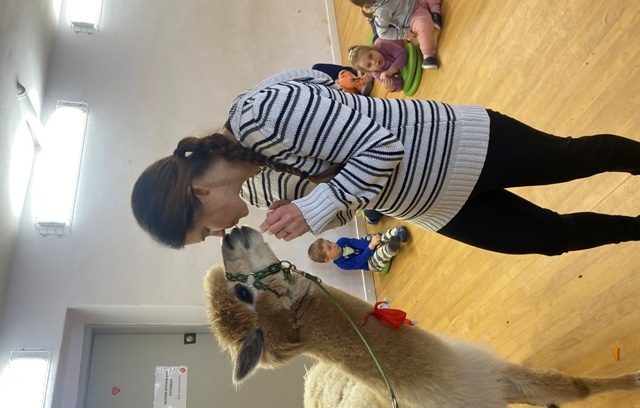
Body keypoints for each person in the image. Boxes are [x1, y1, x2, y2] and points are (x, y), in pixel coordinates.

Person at [131, 68, 640, 257]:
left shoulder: (260, 115)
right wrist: (318, 213)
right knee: (549, 239)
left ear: (198, 193)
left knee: (581, 158)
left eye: (204, 231)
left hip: (462, 147)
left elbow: (380, 147)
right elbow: (316, 78)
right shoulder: (257, 175)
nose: (218, 235)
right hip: (434, 206)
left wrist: (316, 206)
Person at [349, 0, 442, 69]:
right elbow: (382, 33)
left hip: (416, 2)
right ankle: (428, 55)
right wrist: (404, 33)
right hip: (412, 17)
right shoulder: (382, 11)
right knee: (423, 25)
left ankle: (435, 13)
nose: (372, 61)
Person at [308, 226, 408, 273]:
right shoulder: (343, 264)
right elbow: (359, 260)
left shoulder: (342, 241)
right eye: (329, 247)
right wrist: (372, 247)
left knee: (370, 237)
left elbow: (357, 243)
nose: (333, 244)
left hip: (368, 246)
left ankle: (396, 231)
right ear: (328, 259)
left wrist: (373, 243)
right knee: (377, 258)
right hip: (369, 262)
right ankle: (390, 248)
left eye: (330, 242)